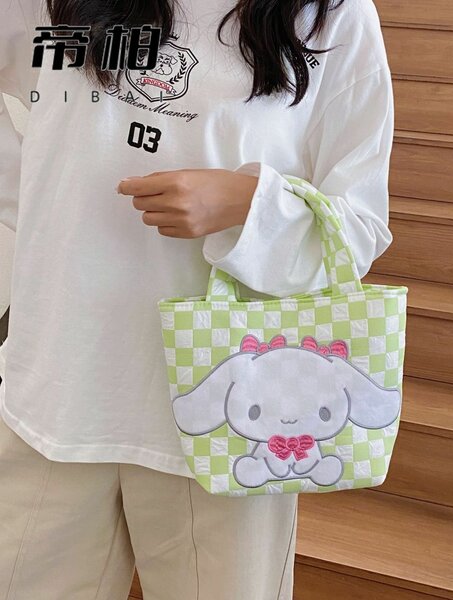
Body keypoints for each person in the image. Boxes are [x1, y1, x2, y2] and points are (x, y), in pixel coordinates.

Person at [0, 0, 395, 598]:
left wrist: (248, 205)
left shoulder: (329, 16)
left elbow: (358, 228)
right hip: (53, 395)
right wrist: (30, 201)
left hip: (235, 416)